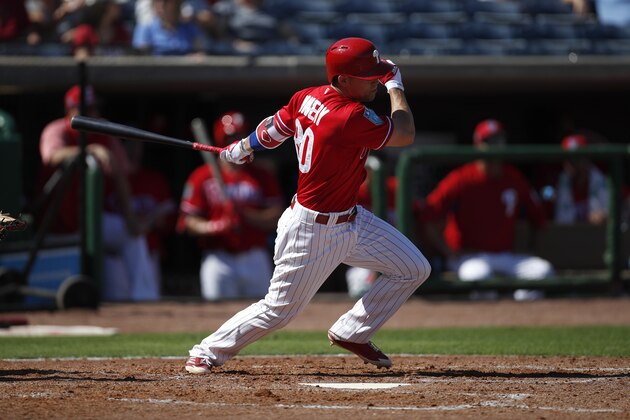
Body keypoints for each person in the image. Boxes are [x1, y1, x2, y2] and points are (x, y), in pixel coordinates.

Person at [185, 37, 431, 374]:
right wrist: (395, 87)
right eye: (369, 76)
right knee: (279, 310)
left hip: (352, 220)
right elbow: (405, 132)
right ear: (343, 80)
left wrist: (242, 146)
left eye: (378, 75)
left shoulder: (307, 96)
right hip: (312, 230)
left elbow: (275, 128)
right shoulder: (349, 117)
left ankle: (353, 331)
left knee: (413, 267)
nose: (377, 79)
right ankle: (207, 350)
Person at [38, 85, 159, 301]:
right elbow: (51, 157)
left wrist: (130, 216)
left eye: (93, 108)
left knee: (131, 235)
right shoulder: (57, 130)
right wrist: (89, 150)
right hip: (56, 223)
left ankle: (145, 298)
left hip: (92, 219)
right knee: (63, 295)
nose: (92, 113)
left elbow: (122, 174)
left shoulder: (103, 133)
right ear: (71, 110)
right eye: (86, 108)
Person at [418, 118, 554, 301]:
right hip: (470, 256)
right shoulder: (461, 178)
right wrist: (448, 251)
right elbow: (428, 215)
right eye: (489, 141)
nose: (496, 146)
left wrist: (530, 247)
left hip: (505, 255)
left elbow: (538, 219)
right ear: (478, 145)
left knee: (542, 271)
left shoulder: (514, 177)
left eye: (499, 140)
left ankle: (522, 319)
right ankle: (487, 323)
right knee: (478, 277)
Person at [178, 111, 284, 300]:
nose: (235, 141)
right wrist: (216, 226)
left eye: (239, 136)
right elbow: (188, 221)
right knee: (216, 315)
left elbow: (277, 216)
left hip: (254, 256)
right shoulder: (202, 176)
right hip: (218, 258)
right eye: (230, 137)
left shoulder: (262, 175)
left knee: (264, 312)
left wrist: (245, 215)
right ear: (220, 140)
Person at [554, 134, 610, 225]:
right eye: (567, 158)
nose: (570, 163)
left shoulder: (601, 180)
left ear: (586, 158)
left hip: (596, 236)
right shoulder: (562, 182)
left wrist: (605, 216)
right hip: (570, 237)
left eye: (575, 158)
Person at [132, 0, 207, 55]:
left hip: (185, 73)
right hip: (154, 73)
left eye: (166, 1)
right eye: (157, 1)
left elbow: (200, 51)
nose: (161, 5)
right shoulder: (145, 28)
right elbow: (141, 57)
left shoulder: (189, 27)